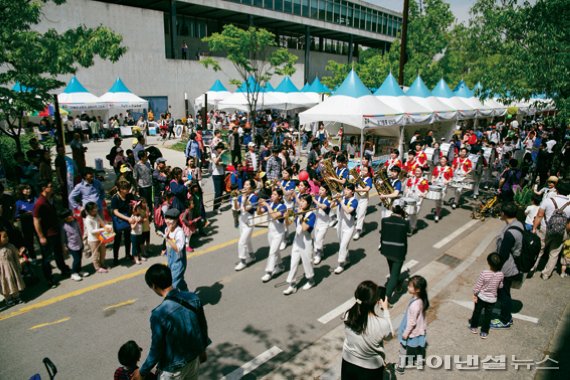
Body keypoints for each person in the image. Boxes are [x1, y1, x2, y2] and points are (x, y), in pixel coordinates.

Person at [133, 264, 210, 380]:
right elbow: (202, 327)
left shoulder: (158, 314)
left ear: (154, 286)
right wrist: (202, 350)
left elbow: (156, 349)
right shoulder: (193, 298)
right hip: (193, 361)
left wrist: (142, 372)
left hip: (173, 370)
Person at [342, 281, 393, 379]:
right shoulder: (381, 324)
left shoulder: (348, 314)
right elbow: (389, 336)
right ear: (376, 301)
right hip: (370, 368)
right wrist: (385, 310)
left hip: (348, 362)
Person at [490, 202, 523, 329]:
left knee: (504, 294)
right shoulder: (518, 224)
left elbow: (502, 255)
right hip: (511, 266)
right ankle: (505, 316)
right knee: (504, 292)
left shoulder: (509, 234)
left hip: (507, 268)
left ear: (503, 214)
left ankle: (505, 320)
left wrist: (494, 269)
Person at [33, 180, 71, 287]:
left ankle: (63, 269)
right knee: (47, 257)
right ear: (44, 189)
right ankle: (49, 278)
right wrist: (41, 237)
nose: (52, 187)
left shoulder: (51, 199)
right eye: (50, 186)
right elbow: (36, 220)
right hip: (47, 234)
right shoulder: (40, 203)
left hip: (55, 231)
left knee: (58, 252)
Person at [531, 180, 570, 280]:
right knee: (554, 253)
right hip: (561, 232)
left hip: (545, 229)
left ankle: (532, 269)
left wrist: (534, 228)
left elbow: (539, 216)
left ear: (556, 189)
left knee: (539, 250)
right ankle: (546, 274)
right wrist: (566, 232)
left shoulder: (548, 200)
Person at [283, 193, 316, 295]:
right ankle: (292, 285)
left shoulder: (312, 214)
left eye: (303, 201)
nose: (300, 203)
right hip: (297, 240)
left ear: (309, 203)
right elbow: (288, 223)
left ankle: (311, 280)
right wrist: (287, 216)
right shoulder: (297, 212)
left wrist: (301, 216)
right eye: (300, 201)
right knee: (293, 262)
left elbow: (305, 228)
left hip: (306, 241)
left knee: (307, 262)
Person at [396, 275, 429, 374]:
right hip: (419, 330)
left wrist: (405, 333)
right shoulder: (420, 299)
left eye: (410, 286)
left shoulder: (415, 305)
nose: (408, 287)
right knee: (419, 347)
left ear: (417, 289)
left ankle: (401, 367)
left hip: (411, 331)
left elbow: (411, 323)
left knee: (403, 348)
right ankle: (419, 362)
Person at [380, 200, 409, 304]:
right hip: (398, 252)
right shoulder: (404, 223)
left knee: (392, 270)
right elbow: (409, 231)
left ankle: (397, 285)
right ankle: (386, 299)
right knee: (394, 275)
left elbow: (382, 235)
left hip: (386, 250)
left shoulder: (384, 220)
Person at [469, 253, 504, 339]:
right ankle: (484, 332)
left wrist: (475, 294)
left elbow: (478, 286)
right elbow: (500, 286)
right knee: (488, 315)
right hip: (492, 299)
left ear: (488, 263)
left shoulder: (484, 273)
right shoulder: (501, 274)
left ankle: (474, 327)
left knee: (477, 312)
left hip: (481, 297)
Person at [258, 189, 287, 283]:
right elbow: (260, 212)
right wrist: (259, 205)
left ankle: (269, 272)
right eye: (272, 194)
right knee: (275, 251)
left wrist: (266, 205)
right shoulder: (270, 204)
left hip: (279, 233)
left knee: (272, 252)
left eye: (275, 194)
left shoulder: (283, 206)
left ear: (279, 197)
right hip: (271, 232)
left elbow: (274, 216)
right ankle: (281, 266)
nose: (272, 196)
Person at [234, 179, 258, 271]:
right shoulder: (242, 196)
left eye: (247, 185)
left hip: (249, 221)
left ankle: (242, 261)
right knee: (247, 240)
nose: (245, 186)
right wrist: (235, 198)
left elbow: (248, 208)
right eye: (244, 184)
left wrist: (244, 197)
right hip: (242, 220)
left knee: (241, 242)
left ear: (251, 187)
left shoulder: (254, 197)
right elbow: (237, 208)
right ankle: (252, 256)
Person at [333, 183, 358, 274]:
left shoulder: (354, 201)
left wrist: (340, 201)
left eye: (348, 190)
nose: (345, 191)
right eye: (345, 189)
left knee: (343, 245)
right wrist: (334, 199)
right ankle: (347, 259)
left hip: (349, 227)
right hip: (340, 225)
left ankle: (340, 265)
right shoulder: (342, 198)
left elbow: (348, 211)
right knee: (342, 245)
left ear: (353, 192)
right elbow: (331, 205)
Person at [0, 227, 25, 307]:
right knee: (4, 284)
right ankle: (8, 299)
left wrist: (18, 266)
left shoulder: (11, 246)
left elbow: (16, 257)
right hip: (2, 272)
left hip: (12, 268)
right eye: (4, 237)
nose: (7, 238)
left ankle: (16, 296)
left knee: (13, 281)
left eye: (7, 236)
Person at [60, 209, 88, 282]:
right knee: (76, 259)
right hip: (71, 245)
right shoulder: (63, 226)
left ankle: (79, 270)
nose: (71, 216)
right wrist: (64, 247)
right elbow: (63, 238)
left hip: (79, 243)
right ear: (64, 218)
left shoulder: (75, 222)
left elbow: (79, 231)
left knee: (80, 258)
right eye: (68, 216)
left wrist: (82, 241)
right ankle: (73, 273)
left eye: (71, 214)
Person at [111, 181, 135, 266]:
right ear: (120, 189)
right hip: (119, 220)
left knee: (128, 238)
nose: (128, 190)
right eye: (126, 189)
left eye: (128, 188)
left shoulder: (129, 195)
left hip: (128, 218)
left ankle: (128, 254)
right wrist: (128, 218)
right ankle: (115, 258)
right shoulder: (115, 198)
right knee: (117, 239)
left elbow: (133, 204)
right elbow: (115, 212)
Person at [163, 208, 188, 291]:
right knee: (180, 283)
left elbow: (178, 249)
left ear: (176, 220)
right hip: (170, 262)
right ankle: (188, 297)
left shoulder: (179, 232)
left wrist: (168, 238)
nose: (168, 221)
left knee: (173, 285)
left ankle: (176, 303)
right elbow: (167, 244)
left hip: (179, 263)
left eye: (171, 219)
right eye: (166, 218)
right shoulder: (167, 229)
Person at [82, 201, 109, 273]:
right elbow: (92, 231)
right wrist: (103, 229)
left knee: (103, 251)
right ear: (89, 211)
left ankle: (102, 264)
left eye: (96, 207)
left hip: (101, 237)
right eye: (94, 208)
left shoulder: (96, 215)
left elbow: (102, 222)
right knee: (95, 254)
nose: (96, 209)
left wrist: (106, 226)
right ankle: (97, 267)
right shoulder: (88, 220)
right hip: (93, 239)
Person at [403, 168, 429, 234]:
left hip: (418, 200)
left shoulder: (424, 180)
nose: (417, 172)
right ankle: (406, 226)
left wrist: (424, 194)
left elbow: (426, 190)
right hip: (409, 199)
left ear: (421, 172)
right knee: (406, 213)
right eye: (416, 171)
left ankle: (412, 227)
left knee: (414, 214)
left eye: (419, 171)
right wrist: (406, 190)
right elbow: (407, 187)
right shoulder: (411, 179)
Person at [14, 184, 37, 260]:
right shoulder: (18, 203)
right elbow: (16, 216)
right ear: (21, 191)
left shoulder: (35, 199)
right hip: (26, 225)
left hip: (36, 223)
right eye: (26, 189)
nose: (28, 190)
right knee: (29, 242)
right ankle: (33, 257)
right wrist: (25, 214)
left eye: (29, 188)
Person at [313, 185, 332, 265]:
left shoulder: (329, 198)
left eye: (322, 190)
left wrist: (313, 199)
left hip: (324, 224)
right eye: (320, 189)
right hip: (317, 222)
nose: (320, 191)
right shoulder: (318, 197)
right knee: (316, 239)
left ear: (326, 191)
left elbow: (323, 206)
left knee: (319, 240)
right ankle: (320, 252)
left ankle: (318, 256)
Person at [431, 156, 453, 222]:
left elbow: (451, 178)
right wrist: (432, 180)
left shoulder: (449, 169)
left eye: (444, 159)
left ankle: (437, 214)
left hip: (443, 187)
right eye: (441, 159)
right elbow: (433, 175)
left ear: (446, 161)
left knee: (440, 200)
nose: (442, 160)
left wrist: (448, 181)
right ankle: (438, 210)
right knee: (437, 200)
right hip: (436, 186)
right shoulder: (437, 168)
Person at [353, 165, 372, 241]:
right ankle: (362, 228)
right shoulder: (359, 178)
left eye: (365, 170)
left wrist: (356, 190)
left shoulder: (369, 179)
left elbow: (367, 189)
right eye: (362, 170)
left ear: (368, 173)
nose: (363, 171)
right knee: (358, 214)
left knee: (361, 214)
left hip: (363, 199)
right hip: (357, 197)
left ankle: (358, 231)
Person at [210, 143, 226, 215]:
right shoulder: (214, 153)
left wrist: (224, 162)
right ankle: (215, 208)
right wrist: (220, 155)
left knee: (221, 191)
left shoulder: (222, 154)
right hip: (216, 174)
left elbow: (225, 162)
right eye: (221, 149)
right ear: (218, 148)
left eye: (222, 149)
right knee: (218, 192)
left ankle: (218, 206)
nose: (221, 150)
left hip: (222, 173)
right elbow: (216, 162)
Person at [130, 201, 146, 265]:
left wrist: (142, 220)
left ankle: (140, 256)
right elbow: (132, 227)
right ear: (134, 210)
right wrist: (136, 222)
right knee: (135, 247)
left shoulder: (139, 216)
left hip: (139, 233)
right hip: (134, 235)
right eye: (138, 209)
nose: (139, 210)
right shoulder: (132, 217)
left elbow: (142, 221)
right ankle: (135, 258)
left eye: (140, 208)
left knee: (139, 246)